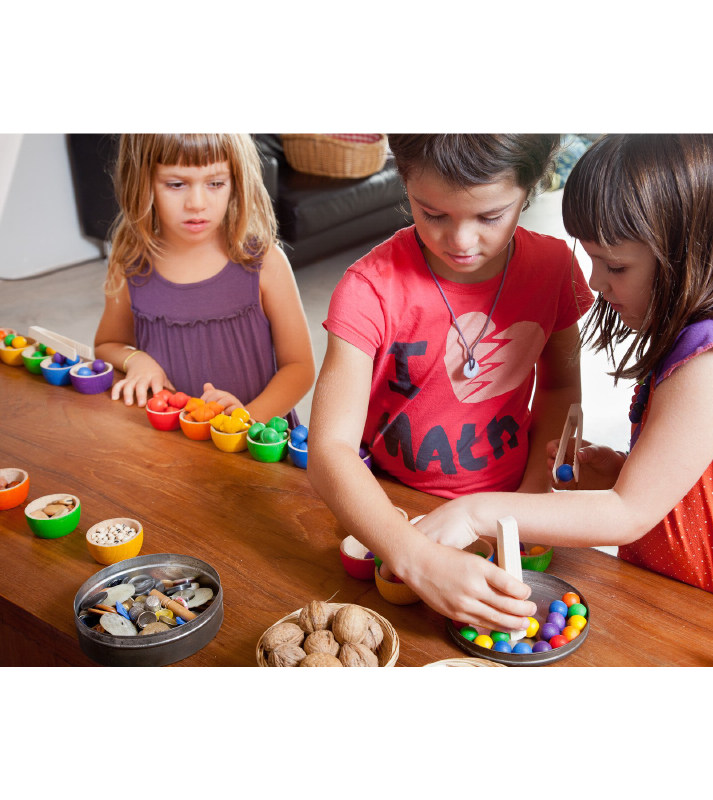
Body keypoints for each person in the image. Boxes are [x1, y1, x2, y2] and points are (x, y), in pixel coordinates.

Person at [418, 134, 713, 622]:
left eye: (615, 266)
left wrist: (475, 512)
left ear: (692, 251)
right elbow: (692, 477)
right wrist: (625, 470)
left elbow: (629, 513)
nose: (596, 283)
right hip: (671, 594)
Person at [308, 134, 594, 629]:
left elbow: (559, 391)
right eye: (433, 214)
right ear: (404, 183)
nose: (460, 241)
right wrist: (414, 557)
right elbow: (330, 448)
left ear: (529, 190)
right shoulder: (368, 290)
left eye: (490, 217)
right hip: (393, 510)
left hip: (510, 503)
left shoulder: (554, 269)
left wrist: (527, 503)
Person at [95, 134, 314, 423]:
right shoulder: (130, 264)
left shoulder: (265, 262)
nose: (197, 203)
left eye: (215, 183)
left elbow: (300, 368)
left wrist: (241, 421)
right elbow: (106, 344)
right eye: (176, 184)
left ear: (236, 182)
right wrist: (136, 360)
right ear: (142, 182)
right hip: (170, 447)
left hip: (253, 445)